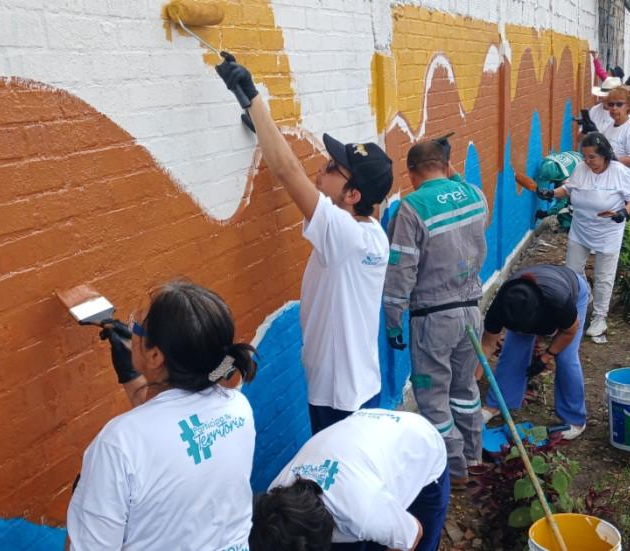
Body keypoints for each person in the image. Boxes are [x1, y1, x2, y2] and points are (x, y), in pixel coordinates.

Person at [215, 55, 394, 434]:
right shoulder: (371, 233)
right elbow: (292, 171)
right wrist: (264, 131)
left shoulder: (343, 237)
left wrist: (249, 96)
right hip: (358, 388)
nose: (322, 168)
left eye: (332, 168)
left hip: (338, 397)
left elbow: (287, 171)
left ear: (352, 194)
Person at [67, 281, 259, 550]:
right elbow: (170, 425)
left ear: (156, 355)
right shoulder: (237, 407)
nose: (131, 330)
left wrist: (88, 494)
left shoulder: (119, 444)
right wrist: (134, 374)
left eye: (137, 325)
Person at [383, 139, 487, 486]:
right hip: (471, 313)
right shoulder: (474, 195)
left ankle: (453, 473)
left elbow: (401, 270)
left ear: (411, 172)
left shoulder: (410, 209)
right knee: (465, 389)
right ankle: (473, 458)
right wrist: (448, 168)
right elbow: (454, 182)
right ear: (446, 165)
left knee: (433, 398)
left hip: (433, 320)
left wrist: (394, 320)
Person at [251, 409, 449, 551]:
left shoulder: (366, 512)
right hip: (362, 438)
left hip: (421, 448)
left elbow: (413, 534)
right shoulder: (274, 502)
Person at [526, 133, 630, 340]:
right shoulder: (581, 169)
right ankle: (580, 303)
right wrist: (551, 194)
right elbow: (568, 188)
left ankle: (600, 317)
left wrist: (623, 213)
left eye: (592, 157)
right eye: (585, 157)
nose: (587, 162)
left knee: (604, 276)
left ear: (604, 155)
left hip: (608, 232)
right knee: (572, 271)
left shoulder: (619, 172)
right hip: (581, 228)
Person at [477, 264, 591, 439]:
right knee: (513, 352)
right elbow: (486, 346)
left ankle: (574, 419)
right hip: (527, 302)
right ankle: (496, 405)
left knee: (566, 358)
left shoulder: (558, 302)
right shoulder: (503, 305)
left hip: (572, 291)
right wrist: (472, 380)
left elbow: (569, 331)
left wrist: (546, 356)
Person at [601, 85, 630, 198]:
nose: (614, 108)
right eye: (611, 104)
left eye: (619, 104)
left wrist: (610, 160)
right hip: (615, 182)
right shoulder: (609, 127)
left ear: (628, 106)